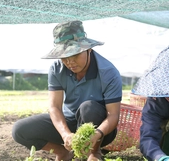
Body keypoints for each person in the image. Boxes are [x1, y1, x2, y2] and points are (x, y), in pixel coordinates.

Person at [12, 20, 122, 161]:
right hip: (69, 122)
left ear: (88, 49)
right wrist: (65, 134)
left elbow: (113, 115)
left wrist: (97, 134)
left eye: (75, 55)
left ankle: (94, 153)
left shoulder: (108, 72)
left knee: (88, 107)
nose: (70, 62)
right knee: (20, 130)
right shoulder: (57, 69)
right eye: (64, 57)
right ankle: (63, 152)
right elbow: (54, 107)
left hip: (99, 129)